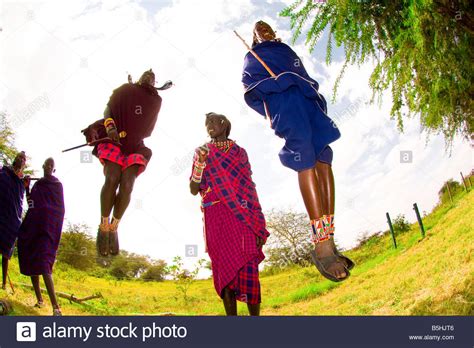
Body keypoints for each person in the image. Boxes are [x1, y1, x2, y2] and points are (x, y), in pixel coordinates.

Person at [241, 21, 354, 282]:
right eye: (260, 30)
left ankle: (331, 236)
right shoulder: (252, 56)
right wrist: (276, 85)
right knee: (303, 151)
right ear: (254, 37)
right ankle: (321, 244)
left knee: (323, 157)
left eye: (268, 28)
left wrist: (296, 81)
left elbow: (302, 74)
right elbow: (250, 87)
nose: (265, 32)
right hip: (284, 104)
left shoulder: (285, 50)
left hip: (306, 100)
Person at [189, 112, 269, 316]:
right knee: (224, 269)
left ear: (224, 124)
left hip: (243, 217)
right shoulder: (202, 151)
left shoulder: (240, 152)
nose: (208, 126)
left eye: (212, 122)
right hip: (215, 216)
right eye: (205, 123)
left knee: (249, 267)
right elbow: (193, 188)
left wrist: (259, 225)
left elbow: (249, 186)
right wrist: (200, 163)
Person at [82, 69, 162, 256]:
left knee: (127, 184)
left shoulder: (155, 100)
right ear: (139, 77)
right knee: (112, 177)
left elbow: (145, 126)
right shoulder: (125, 89)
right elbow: (107, 109)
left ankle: (114, 227)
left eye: (153, 78)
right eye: (146, 75)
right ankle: (103, 225)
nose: (149, 77)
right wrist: (110, 127)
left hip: (135, 146)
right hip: (114, 140)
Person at [17, 157, 65, 316]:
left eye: (52, 164)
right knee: (33, 260)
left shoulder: (57, 186)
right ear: (43, 166)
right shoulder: (37, 185)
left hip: (48, 230)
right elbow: (31, 204)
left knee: (44, 264)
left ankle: (56, 307)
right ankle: (39, 300)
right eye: (46, 163)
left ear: (54, 169)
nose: (48, 166)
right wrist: (26, 188)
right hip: (34, 227)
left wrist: (48, 216)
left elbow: (60, 210)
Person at [0, 151, 29, 290]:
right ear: (15, 159)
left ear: (25, 163)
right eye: (19, 157)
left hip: (13, 219)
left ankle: (4, 283)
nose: (21, 159)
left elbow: (23, 198)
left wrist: (25, 185)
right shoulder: (4, 173)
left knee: (6, 253)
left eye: (23, 159)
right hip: (1, 213)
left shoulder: (22, 180)